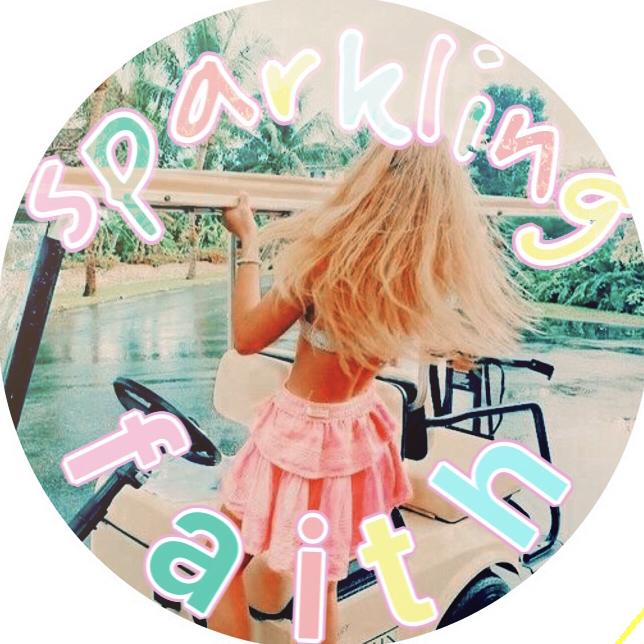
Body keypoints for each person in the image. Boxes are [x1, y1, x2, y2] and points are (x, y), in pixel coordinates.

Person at [207, 140, 533, 641]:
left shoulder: (321, 267)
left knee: (218, 562)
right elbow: (445, 349)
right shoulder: (415, 286)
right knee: (318, 588)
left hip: (296, 437)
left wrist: (247, 242)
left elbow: (247, 338)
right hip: (352, 438)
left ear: (369, 183)